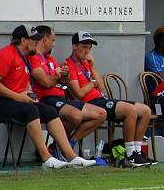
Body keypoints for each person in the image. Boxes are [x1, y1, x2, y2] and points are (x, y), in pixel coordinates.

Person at [0, 25, 95, 170]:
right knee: (31, 111)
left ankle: (71, 157)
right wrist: (18, 97)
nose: (38, 43)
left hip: (11, 99)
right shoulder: (7, 54)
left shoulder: (27, 56)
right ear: (24, 40)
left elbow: (23, 83)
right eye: (35, 40)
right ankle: (46, 159)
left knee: (49, 111)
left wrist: (28, 94)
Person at [65, 31, 156, 167]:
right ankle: (129, 154)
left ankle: (137, 151)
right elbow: (79, 93)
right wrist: (93, 83)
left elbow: (102, 88)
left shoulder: (86, 64)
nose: (87, 51)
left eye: (89, 48)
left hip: (101, 99)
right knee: (130, 110)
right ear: (74, 46)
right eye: (84, 47)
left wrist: (91, 67)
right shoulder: (69, 65)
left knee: (145, 110)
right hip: (90, 104)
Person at [29, 25, 107, 153]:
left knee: (101, 114)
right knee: (76, 116)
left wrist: (64, 75)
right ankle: (58, 149)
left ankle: (66, 145)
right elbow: (46, 82)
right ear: (45, 40)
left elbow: (64, 81)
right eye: (53, 40)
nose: (54, 45)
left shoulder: (50, 59)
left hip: (62, 97)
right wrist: (59, 75)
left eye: (89, 48)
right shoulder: (34, 58)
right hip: (46, 99)